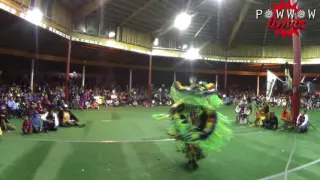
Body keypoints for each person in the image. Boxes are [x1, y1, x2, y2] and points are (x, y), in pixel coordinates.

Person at [153, 81, 232, 168]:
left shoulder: (205, 104)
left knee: (195, 138)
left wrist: (204, 133)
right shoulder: (184, 102)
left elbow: (211, 117)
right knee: (187, 138)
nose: (197, 98)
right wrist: (181, 127)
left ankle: (196, 152)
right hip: (186, 118)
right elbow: (175, 110)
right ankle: (191, 152)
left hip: (199, 119)